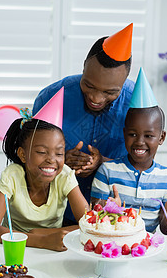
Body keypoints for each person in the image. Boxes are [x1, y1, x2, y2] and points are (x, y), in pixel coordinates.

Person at [32, 23, 135, 226]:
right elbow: (25, 162)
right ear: (84, 66)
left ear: (124, 82)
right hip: (56, 219)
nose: (96, 98)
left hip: (118, 220)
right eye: (88, 85)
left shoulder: (138, 106)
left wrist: (103, 163)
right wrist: (58, 161)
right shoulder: (50, 97)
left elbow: (146, 167)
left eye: (110, 92)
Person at [90, 68, 167, 234]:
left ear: (161, 138)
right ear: (124, 134)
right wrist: (113, 211)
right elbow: (96, 221)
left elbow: (166, 230)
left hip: (148, 248)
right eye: (133, 134)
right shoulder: (107, 171)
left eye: (148, 135)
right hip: (113, 245)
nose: (140, 142)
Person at [0, 115, 89, 251]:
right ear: (22, 154)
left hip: (52, 249)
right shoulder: (12, 175)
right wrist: (41, 240)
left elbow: (89, 226)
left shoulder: (64, 176)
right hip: (13, 248)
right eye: (42, 152)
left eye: (59, 153)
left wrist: (43, 234)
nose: (51, 159)